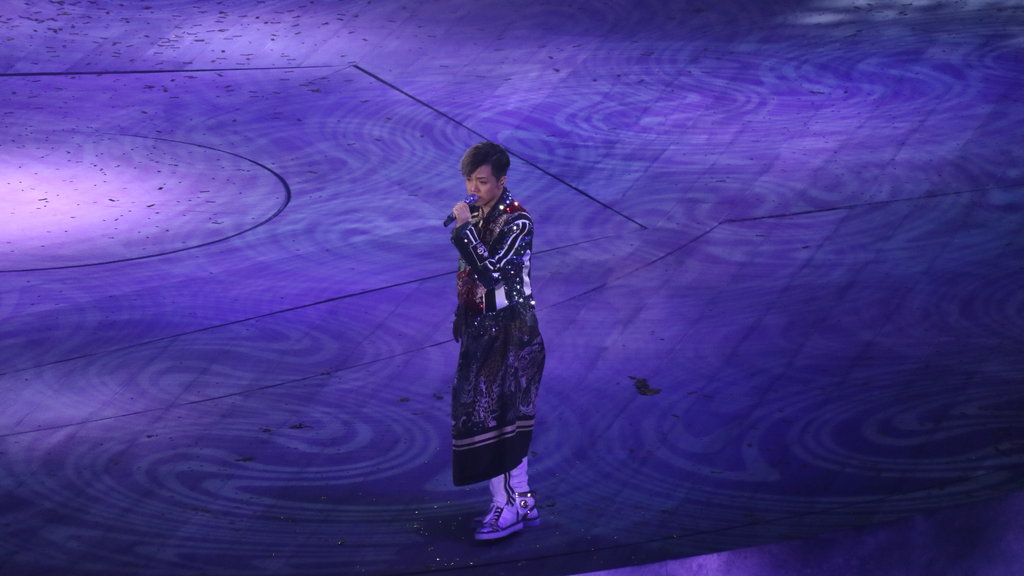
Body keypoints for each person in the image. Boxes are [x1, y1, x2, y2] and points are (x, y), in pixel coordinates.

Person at [448, 142, 546, 541]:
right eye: (470, 180)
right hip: (483, 330)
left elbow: (490, 274)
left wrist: (464, 232)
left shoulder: (517, 222)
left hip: (511, 332)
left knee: (500, 420)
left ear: (501, 181)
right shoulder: (478, 216)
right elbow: (469, 277)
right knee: (498, 418)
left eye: (482, 181)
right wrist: (463, 314)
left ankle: (506, 508)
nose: (474, 188)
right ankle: (522, 499)